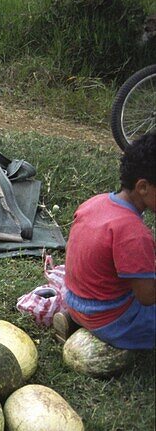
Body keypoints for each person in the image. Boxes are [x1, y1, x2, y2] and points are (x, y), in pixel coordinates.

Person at [57, 130, 156, 350]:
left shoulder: (94, 203)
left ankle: (74, 322)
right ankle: (106, 337)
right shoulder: (134, 234)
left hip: (75, 301)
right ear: (143, 187)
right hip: (112, 320)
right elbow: (148, 297)